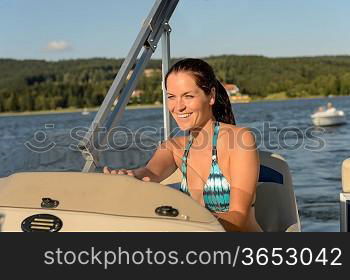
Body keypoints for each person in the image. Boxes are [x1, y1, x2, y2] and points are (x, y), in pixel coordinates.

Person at [104, 58, 261, 232]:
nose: (178, 107)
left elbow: (239, 217)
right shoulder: (173, 148)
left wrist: (188, 225)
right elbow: (149, 173)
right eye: (171, 97)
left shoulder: (239, 140)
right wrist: (127, 178)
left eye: (188, 96)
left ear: (211, 96)